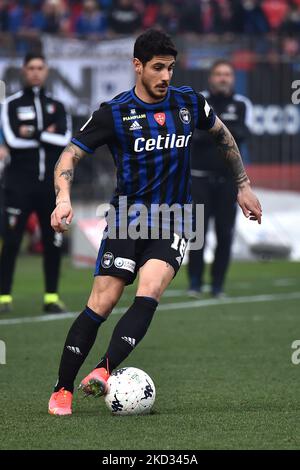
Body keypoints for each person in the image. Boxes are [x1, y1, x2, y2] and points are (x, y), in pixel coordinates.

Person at [48, 29, 262, 416]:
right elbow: (69, 157)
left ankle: (103, 369)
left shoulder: (189, 102)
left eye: (171, 68)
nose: (166, 76)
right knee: (103, 300)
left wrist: (243, 186)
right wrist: (63, 199)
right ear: (138, 66)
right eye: (158, 68)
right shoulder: (114, 112)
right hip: (127, 220)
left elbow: (223, 135)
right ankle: (62, 389)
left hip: (176, 218)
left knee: (150, 290)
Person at [0, 52, 72, 314]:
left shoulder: (58, 105)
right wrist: (46, 134)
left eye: (40, 67)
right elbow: (13, 139)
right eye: (31, 67)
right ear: (23, 70)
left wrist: (32, 132)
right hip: (18, 186)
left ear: (46, 70)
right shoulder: (10, 104)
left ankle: (51, 297)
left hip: (48, 188)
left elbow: (65, 138)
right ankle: (3, 297)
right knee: (11, 241)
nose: (35, 72)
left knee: (53, 242)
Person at [187, 60, 253, 298]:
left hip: (228, 181)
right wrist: (226, 131)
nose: (223, 78)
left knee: (225, 233)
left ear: (232, 78)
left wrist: (212, 131)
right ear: (211, 77)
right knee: (197, 233)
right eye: (219, 74)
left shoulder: (242, 104)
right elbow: (193, 136)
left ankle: (217, 284)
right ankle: (194, 282)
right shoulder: (198, 101)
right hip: (199, 178)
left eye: (227, 74)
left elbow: (244, 135)